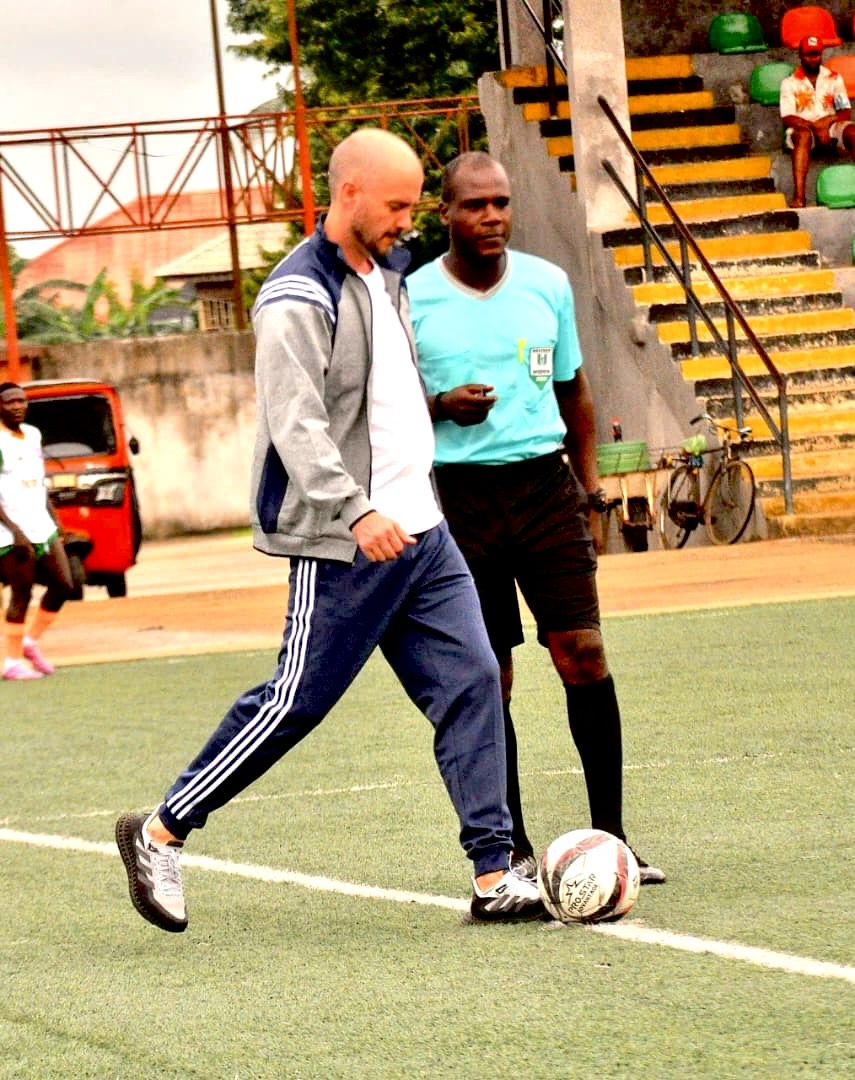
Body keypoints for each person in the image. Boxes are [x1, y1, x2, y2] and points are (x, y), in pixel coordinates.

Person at [115, 128, 545, 933]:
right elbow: (296, 422)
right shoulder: (295, 296)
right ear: (348, 193)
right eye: (396, 206)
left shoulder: (388, 271)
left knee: (474, 680)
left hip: (423, 534)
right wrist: (356, 509)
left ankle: (494, 873)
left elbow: (384, 396)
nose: (408, 221)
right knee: (295, 702)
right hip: (348, 541)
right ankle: (161, 831)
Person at [407, 152, 665, 885]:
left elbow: (573, 391)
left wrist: (590, 489)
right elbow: (386, 407)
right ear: (445, 214)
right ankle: (511, 848)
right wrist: (440, 406)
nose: (492, 216)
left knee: (582, 651)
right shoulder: (411, 298)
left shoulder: (547, 284)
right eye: (475, 205)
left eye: (501, 202)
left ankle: (613, 839)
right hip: (459, 502)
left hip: (546, 491)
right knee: (490, 676)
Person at [0, 381, 73, 680]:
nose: (17, 406)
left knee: (64, 584)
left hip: (42, 524)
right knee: (22, 592)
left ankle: (30, 642)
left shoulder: (33, 434)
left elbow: (38, 481)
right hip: (10, 531)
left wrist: (54, 519)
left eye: (21, 401)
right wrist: (16, 532)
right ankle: (11, 662)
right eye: (10, 402)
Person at [780, 34, 855, 209]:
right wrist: (816, 126)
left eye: (816, 54)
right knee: (803, 136)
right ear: (800, 55)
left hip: (831, 125)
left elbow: (844, 111)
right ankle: (799, 197)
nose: (812, 59)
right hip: (803, 127)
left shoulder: (834, 78)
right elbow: (788, 116)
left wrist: (826, 122)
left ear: (821, 54)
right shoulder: (789, 83)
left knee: (853, 132)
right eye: (808, 54)